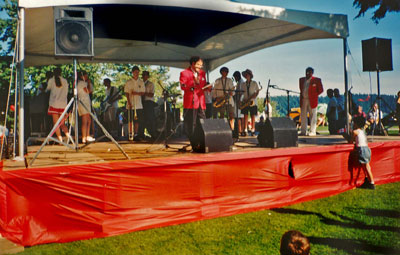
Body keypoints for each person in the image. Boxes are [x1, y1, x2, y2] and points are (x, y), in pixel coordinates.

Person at [179, 56, 207, 150]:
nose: (200, 67)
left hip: (201, 102)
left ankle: (202, 144)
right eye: (198, 64)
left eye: (201, 65)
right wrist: (193, 84)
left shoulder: (202, 73)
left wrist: (206, 86)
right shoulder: (184, 73)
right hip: (190, 102)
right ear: (193, 64)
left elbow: (203, 84)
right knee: (191, 125)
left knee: (202, 123)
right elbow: (183, 86)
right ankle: (195, 145)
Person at [46, 67, 71, 143]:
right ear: (61, 73)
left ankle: (60, 139)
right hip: (63, 104)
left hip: (54, 104)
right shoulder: (65, 81)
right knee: (62, 124)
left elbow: (47, 89)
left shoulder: (51, 80)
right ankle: (69, 138)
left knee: (56, 124)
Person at [349, 116, 375, 189]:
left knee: (366, 167)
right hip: (366, 148)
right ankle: (367, 180)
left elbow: (350, 141)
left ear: (356, 124)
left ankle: (372, 183)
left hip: (362, 149)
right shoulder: (362, 131)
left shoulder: (355, 132)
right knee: (365, 166)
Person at [299, 67, 324, 136]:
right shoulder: (301, 80)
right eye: (306, 72)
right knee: (303, 115)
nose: (307, 74)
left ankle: (313, 131)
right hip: (304, 99)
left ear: (312, 73)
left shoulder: (317, 80)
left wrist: (314, 95)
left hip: (312, 100)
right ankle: (303, 131)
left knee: (312, 115)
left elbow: (321, 90)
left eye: (309, 72)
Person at [124, 66, 145, 141]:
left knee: (137, 120)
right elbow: (126, 93)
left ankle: (136, 133)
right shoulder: (128, 82)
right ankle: (130, 133)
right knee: (130, 120)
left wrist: (136, 93)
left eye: (138, 72)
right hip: (131, 104)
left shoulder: (141, 82)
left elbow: (143, 92)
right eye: (135, 72)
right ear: (132, 73)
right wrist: (129, 102)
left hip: (138, 104)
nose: (137, 73)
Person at [77, 71, 95, 144]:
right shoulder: (81, 83)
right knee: (85, 121)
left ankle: (87, 135)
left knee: (89, 120)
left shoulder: (85, 83)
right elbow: (88, 91)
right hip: (83, 102)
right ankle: (84, 137)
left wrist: (89, 83)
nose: (86, 77)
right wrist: (88, 84)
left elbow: (91, 90)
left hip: (86, 102)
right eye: (85, 76)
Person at [240, 69, 259, 136]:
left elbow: (257, 91)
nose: (246, 76)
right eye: (245, 75)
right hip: (245, 101)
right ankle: (245, 129)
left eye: (247, 74)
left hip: (252, 101)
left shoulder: (254, 83)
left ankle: (253, 129)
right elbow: (241, 93)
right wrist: (242, 100)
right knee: (245, 115)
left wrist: (255, 96)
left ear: (250, 75)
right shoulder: (243, 84)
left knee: (252, 115)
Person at [141, 71, 157, 140]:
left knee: (150, 119)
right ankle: (142, 134)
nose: (144, 76)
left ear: (148, 76)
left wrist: (143, 93)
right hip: (142, 103)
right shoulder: (140, 84)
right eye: (143, 75)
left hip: (149, 102)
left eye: (145, 75)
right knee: (143, 119)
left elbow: (151, 94)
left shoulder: (150, 84)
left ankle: (153, 134)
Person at [233, 71, 244, 136]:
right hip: (238, 100)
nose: (235, 79)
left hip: (239, 101)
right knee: (238, 117)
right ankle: (239, 130)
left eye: (235, 77)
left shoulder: (241, 82)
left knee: (239, 117)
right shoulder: (239, 82)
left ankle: (240, 130)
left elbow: (241, 93)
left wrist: (239, 100)